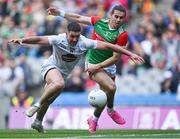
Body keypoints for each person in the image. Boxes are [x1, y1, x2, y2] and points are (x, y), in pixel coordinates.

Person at [9, 21, 144, 133]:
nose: (74, 39)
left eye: (77, 36)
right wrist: (22, 40)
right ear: (67, 33)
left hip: (63, 74)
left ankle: (38, 122)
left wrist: (129, 54)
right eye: (72, 36)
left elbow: (108, 45)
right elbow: (39, 39)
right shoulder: (59, 39)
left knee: (49, 99)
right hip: (50, 68)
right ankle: (36, 104)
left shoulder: (84, 42)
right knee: (59, 84)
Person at [47, 5, 141, 133]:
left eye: (121, 18)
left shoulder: (122, 35)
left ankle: (94, 120)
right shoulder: (99, 22)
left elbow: (115, 58)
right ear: (110, 15)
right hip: (92, 62)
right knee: (112, 87)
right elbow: (78, 17)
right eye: (116, 16)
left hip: (108, 65)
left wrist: (100, 66)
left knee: (104, 95)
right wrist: (60, 13)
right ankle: (111, 110)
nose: (118, 20)